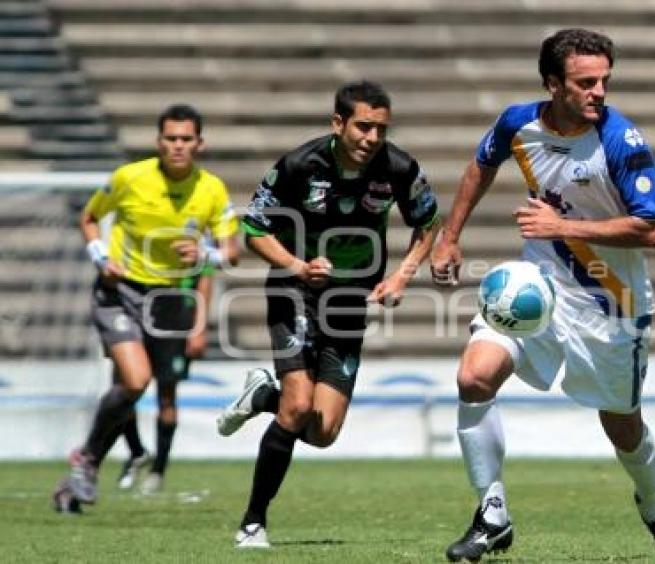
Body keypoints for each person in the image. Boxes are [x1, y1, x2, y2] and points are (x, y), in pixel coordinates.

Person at [430, 28, 655, 560]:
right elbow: (481, 163)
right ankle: (492, 515)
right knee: (472, 376)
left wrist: (563, 228)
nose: (598, 91)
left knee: (622, 425)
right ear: (553, 85)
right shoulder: (517, 123)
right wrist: (450, 236)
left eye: (604, 81)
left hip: (611, 305)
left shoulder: (621, 140)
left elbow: (653, 230)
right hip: (540, 289)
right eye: (585, 82)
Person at [214, 80, 440, 549]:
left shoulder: (398, 167)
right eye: (363, 127)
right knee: (296, 406)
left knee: (322, 431)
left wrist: (401, 276)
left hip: (348, 303)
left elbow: (427, 223)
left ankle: (261, 398)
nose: (372, 138)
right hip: (293, 290)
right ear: (339, 123)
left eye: (380, 128)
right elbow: (254, 228)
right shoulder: (300, 164)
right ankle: (253, 522)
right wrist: (297, 265)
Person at [52, 103, 240, 513]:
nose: (178, 146)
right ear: (158, 142)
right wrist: (102, 256)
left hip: (171, 301)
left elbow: (232, 252)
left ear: (199, 144)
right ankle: (91, 460)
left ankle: (86, 463)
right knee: (136, 381)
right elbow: (89, 217)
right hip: (120, 291)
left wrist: (205, 253)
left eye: (186, 139)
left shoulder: (211, 189)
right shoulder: (129, 178)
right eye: (170, 138)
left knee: (151, 390)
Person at [115, 267, 214, 494]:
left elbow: (206, 276)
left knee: (167, 396)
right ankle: (137, 451)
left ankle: (158, 470)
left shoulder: (194, 235)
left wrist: (199, 327)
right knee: (125, 388)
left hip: (177, 315)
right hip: (137, 309)